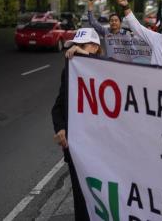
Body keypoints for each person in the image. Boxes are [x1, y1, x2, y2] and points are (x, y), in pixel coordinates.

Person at [51, 28, 103, 221]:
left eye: (82, 46)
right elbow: (58, 107)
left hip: (102, 150)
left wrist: (87, 59)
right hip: (76, 150)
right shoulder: (69, 71)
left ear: (96, 48)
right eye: (74, 46)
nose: (74, 50)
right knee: (81, 200)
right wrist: (61, 128)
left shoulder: (107, 70)